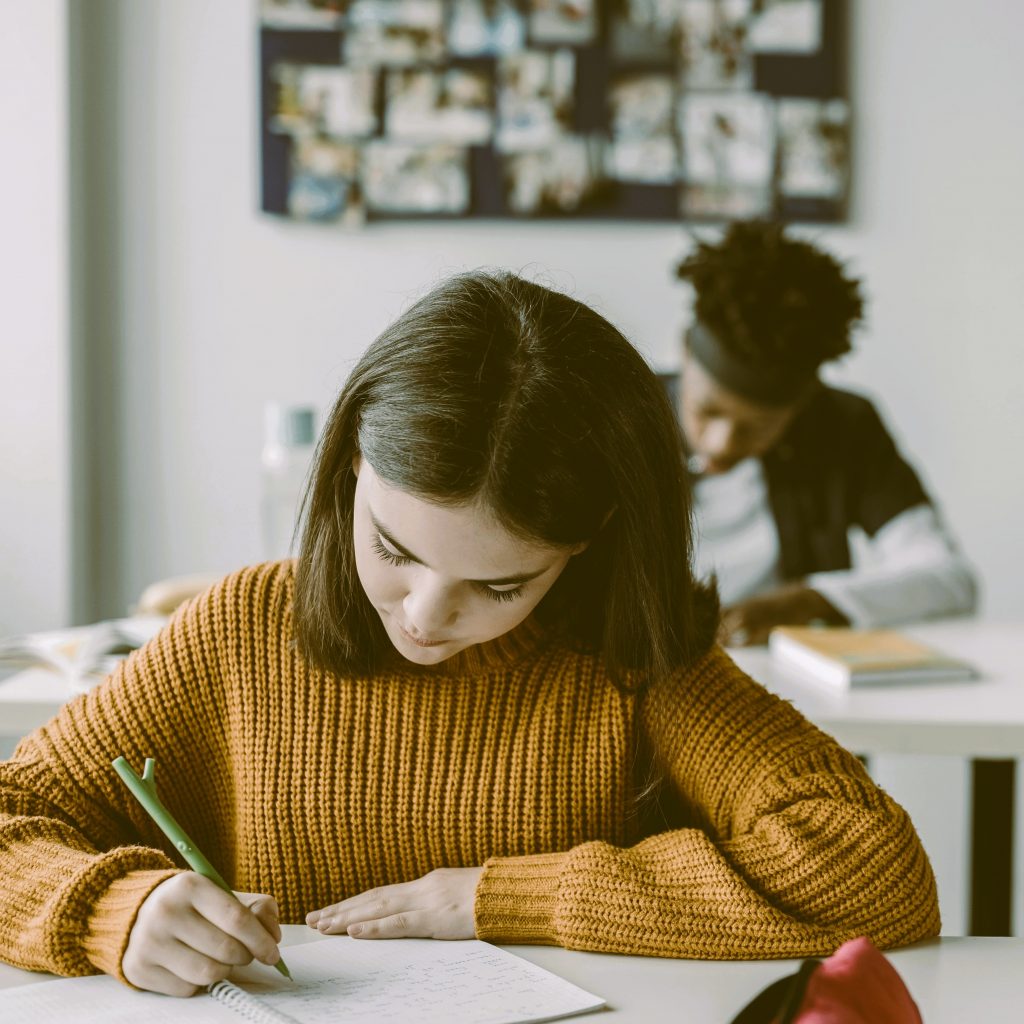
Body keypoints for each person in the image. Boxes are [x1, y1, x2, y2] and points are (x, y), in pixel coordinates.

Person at [0, 271, 939, 997]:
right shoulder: (245, 629)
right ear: (347, 473)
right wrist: (115, 912)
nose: (423, 613)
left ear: (589, 546)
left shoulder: (632, 659)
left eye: (499, 584)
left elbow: (873, 872)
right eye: (393, 549)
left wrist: (500, 896)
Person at [672, 221, 977, 646]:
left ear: (801, 405)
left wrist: (810, 601)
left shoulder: (844, 425)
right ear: (685, 354)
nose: (721, 443)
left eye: (758, 427)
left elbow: (949, 579)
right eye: (706, 410)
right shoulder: (615, 415)